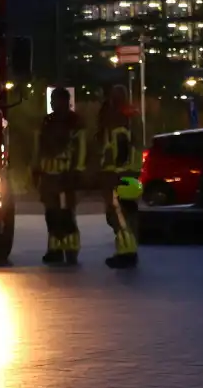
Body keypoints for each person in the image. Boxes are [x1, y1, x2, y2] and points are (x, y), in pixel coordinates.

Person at [33, 87, 87, 265]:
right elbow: (39, 148)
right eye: (52, 100)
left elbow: (81, 147)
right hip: (48, 176)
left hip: (66, 175)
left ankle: (71, 249)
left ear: (65, 101)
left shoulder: (74, 122)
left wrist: (77, 171)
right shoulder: (47, 121)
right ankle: (54, 249)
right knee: (51, 214)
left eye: (55, 100)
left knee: (65, 214)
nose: (52, 103)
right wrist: (36, 170)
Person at [99, 85, 140, 268]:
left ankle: (126, 252)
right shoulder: (131, 120)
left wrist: (113, 172)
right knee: (126, 214)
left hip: (118, 176)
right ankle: (128, 250)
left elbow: (118, 153)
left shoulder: (119, 126)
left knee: (117, 215)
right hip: (129, 175)